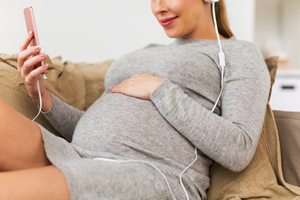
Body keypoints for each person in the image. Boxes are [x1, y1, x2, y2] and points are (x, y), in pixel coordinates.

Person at [0, 0, 270, 199]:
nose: (158, 8)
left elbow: (239, 148)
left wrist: (161, 90)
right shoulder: (146, 51)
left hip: (148, 174)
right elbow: (101, 125)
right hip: (76, 153)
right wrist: (43, 97)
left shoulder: (239, 54)